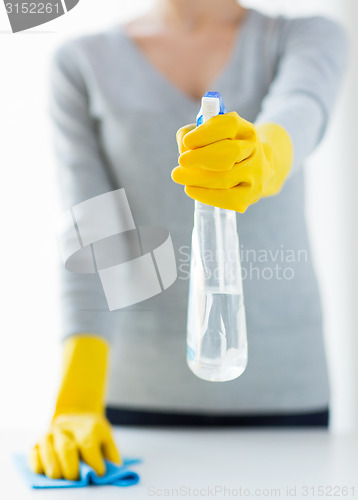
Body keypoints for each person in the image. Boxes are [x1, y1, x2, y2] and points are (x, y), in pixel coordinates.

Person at [29, 0, 348, 481]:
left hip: (286, 401)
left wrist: (261, 158)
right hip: (135, 405)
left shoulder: (301, 39)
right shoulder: (83, 63)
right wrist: (76, 402)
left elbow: (301, 110)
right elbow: (98, 240)